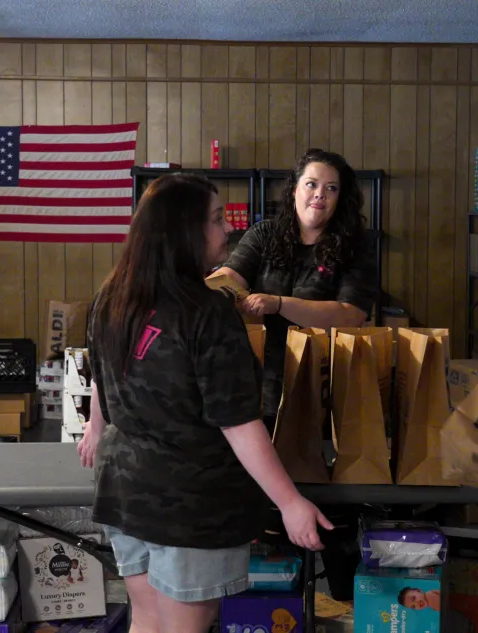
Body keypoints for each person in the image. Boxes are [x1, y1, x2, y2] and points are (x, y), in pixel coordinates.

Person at [75, 173, 332, 633]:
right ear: (183, 232)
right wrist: (289, 502)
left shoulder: (110, 296)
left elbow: (102, 372)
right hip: (188, 502)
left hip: (125, 489)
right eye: (216, 219)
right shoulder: (207, 312)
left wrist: (98, 427)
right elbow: (237, 422)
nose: (228, 228)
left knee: (147, 620)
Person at [212, 149, 378, 429]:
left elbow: (350, 315)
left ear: (340, 199)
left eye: (331, 188)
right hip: (260, 383)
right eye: (311, 184)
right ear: (294, 190)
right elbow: (231, 277)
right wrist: (209, 288)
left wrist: (278, 304)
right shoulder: (263, 234)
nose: (319, 194)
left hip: (323, 386)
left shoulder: (355, 247)